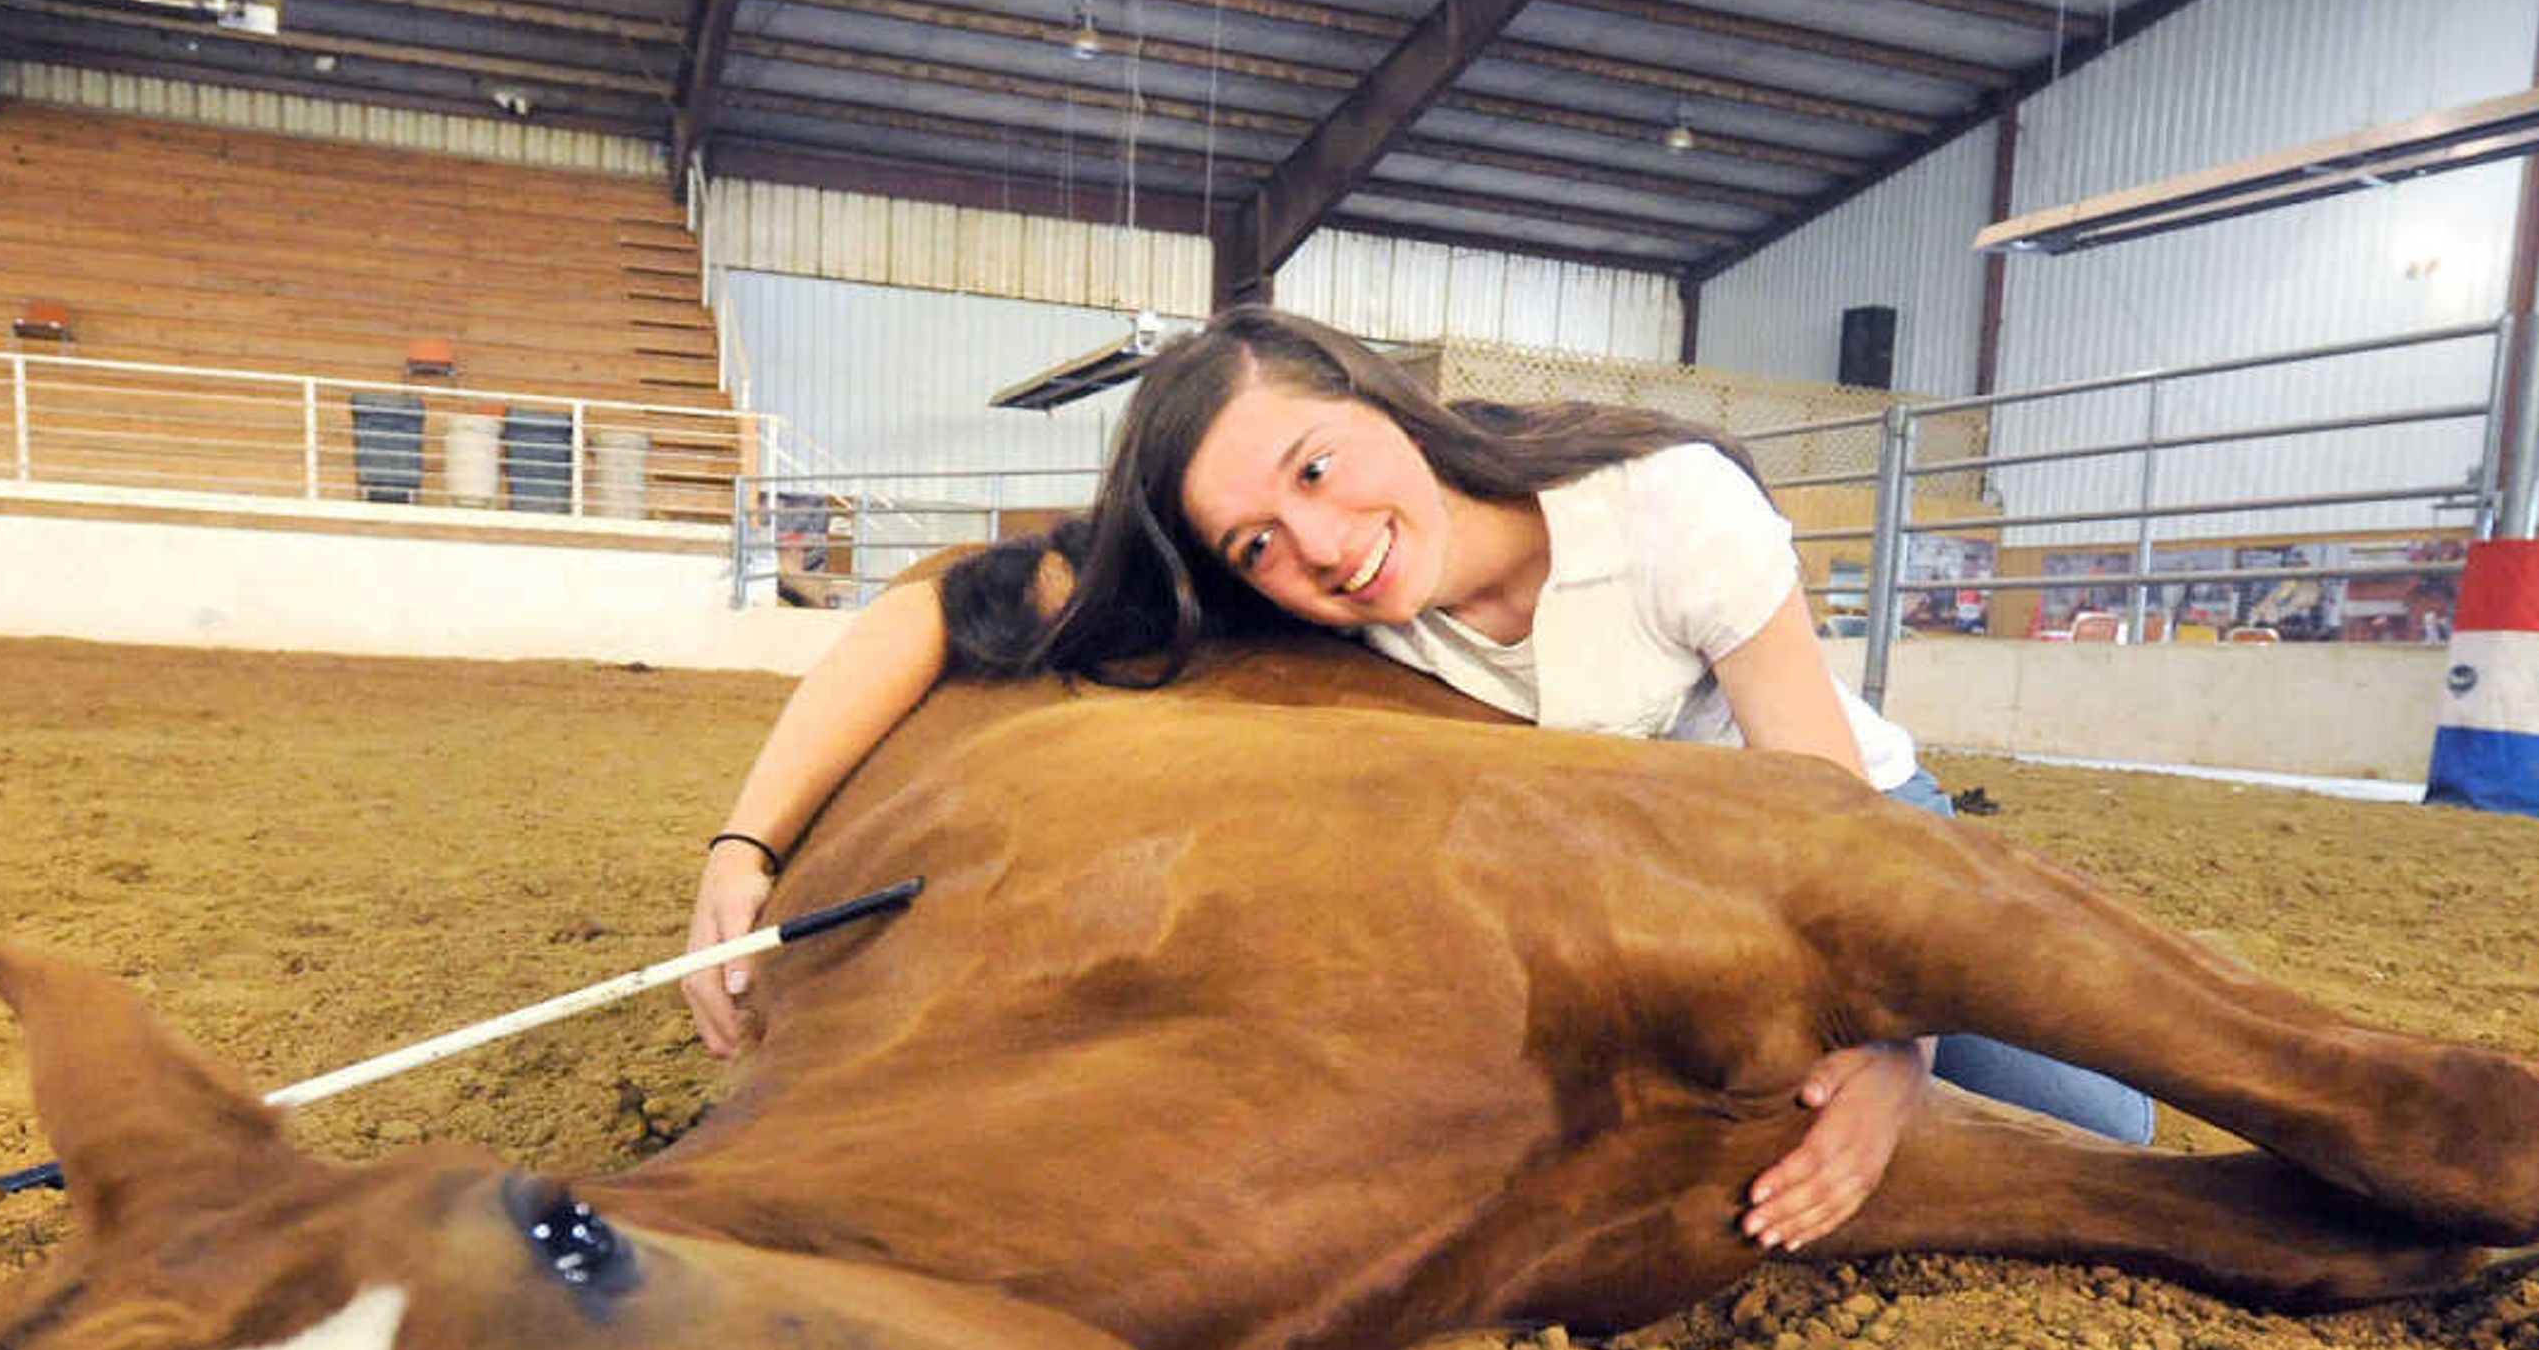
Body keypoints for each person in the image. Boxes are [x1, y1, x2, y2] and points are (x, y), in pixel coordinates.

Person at [689, 306, 2153, 1249]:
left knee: (2103, 1121)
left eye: (1316, 470)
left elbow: (1829, 832)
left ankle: (2021, 923)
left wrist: (1900, 1056)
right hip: (1661, 890)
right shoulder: (1303, 598)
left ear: (1379, 403)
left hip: (1853, 832)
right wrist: (745, 846)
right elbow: (944, 607)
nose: (1317, 546)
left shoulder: (1667, 511)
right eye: (1256, 539)